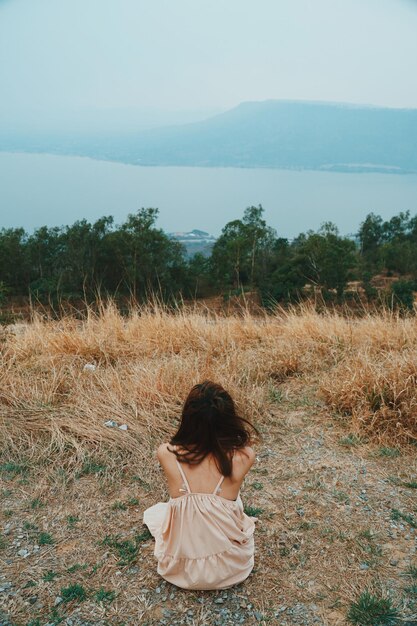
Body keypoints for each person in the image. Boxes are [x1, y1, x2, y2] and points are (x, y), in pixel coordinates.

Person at [143, 380, 259, 590]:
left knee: (168, 509)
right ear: (229, 420)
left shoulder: (167, 453)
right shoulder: (244, 456)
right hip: (232, 568)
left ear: (187, 419)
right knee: (230, 501)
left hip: (181, 570)